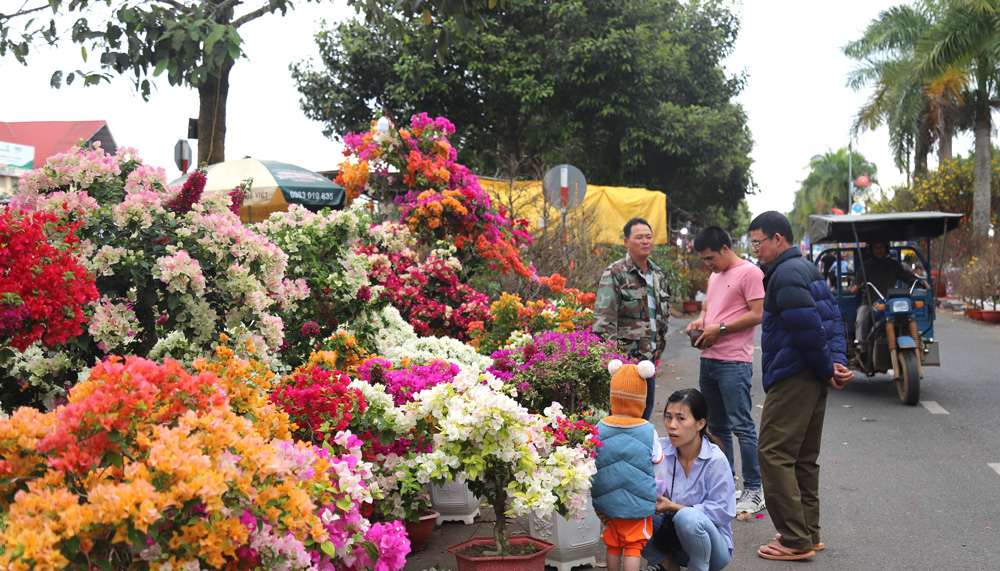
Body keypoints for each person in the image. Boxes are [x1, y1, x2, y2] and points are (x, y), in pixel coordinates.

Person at [747, 211, 854, 561]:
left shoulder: (786, 273)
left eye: (758, 242)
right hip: (812, 374)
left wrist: (827, 369)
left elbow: (807, 328)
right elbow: (833, 318)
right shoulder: (806, 268)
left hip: (794, 376)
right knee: (803, 458)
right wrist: (835, 363)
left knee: (774, 453)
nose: (755, 250)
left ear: (778, 239)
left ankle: (794, 539)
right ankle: (808, 531)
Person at [686, 226, 766, 514]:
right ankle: (727, 486)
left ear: (724, 248)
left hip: (734, 361)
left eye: (710, 257)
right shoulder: (714, 276)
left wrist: (719, 328)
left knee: (741, 425)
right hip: (709, 359)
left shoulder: (750, 273)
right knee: (716, 426)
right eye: (703, 259)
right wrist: (699, 321)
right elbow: (708, 310)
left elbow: (757, 314)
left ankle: (755, 489)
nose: (707, 264)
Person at [641, 389, 736, 571]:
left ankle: (699, 567)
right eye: (668, 417)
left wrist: (674, 507)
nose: (671, 425)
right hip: (671, 542)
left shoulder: (715, 460)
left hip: (713, 551)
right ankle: (666, 563)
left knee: (687, 517)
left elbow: (723, 511)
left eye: (680, 418)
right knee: (627, 506)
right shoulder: (659, 450)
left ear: (700, 423)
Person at [594, 217, 671, 420]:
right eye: (639, 237)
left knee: (644, 416)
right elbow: (603, 320)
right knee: (623, 418)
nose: (645, 241)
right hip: (625, 362)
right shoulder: (615, 273)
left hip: (650, 359)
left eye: (649, 237)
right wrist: (611, 361)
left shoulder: (657, 274)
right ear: (627, 242)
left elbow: (662, 316)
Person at [592, 359, 664, 571]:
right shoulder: (648, 430)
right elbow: (658, 461)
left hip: (607, 498)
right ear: (641, 399)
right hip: (638, 499)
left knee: (613, 543)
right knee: (633, 545)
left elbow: (591, 456)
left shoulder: (600, 426)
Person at [849, 240, 930, 361]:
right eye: (876, 247)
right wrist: (854, 286)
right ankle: (861, 352)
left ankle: (919, 346)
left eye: (881, 247)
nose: (879, 250)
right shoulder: (866, 266)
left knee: (906, 317)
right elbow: (857, 279)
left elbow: (907, 276)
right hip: (870, 302)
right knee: (861, 319)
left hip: (890, 302)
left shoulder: (894, 265)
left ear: (886, 249)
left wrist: (921, 282)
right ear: (871, 250)